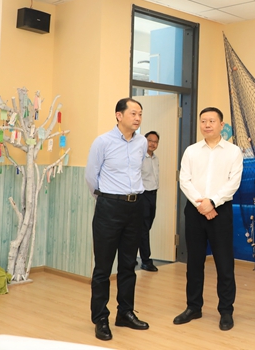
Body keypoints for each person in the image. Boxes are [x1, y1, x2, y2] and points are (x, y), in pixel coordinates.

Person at [85, 98, 150, 341]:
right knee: (103, 267)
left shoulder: (142, 142)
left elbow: (137, 170)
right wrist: (105, 199)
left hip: (135, 207)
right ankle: (100, 318)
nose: (138, 118)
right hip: (109, 207)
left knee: (128, 265)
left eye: (140, 114)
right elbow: (91, 176)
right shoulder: (102, 142)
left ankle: (125, 313)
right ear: (118, 115)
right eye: (133, 113)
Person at [173, 107, 243, 331]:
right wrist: (202, 204)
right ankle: (193, 307)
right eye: (203, 121)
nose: (207, 125)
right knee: (194, 262)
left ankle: (226, 311)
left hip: (221, 211)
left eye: (212, 121)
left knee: (224, 263)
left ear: (221, 125)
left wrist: (212, 202)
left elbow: (233, 183)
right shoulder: (191, 151)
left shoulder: (233, 152)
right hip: (195, 210)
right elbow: (185, 180)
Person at [139, 130, 160, 272]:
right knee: (144, 228)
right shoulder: (140, 157)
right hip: (142, 195)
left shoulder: (155, 159)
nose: (152, 144)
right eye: (150, 141)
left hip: (153, 194)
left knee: (147, 226)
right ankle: (146, 261)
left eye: (155, 142)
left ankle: (136, 257)